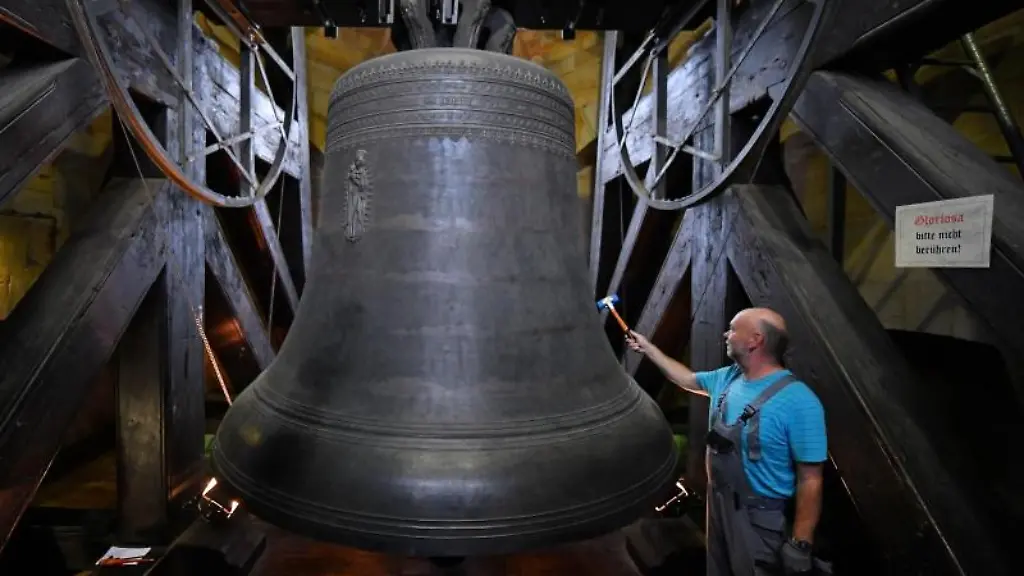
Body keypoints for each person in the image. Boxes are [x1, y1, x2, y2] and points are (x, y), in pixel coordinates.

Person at [627, 307, 827, 576]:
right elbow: (686, 379)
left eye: (733, 329)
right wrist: (648, 349)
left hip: (758, 517)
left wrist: (801, 543)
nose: (726, 334)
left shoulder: (800, 402)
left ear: (755, 340)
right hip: (717, 501)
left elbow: (811, 479)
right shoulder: (727, 377)